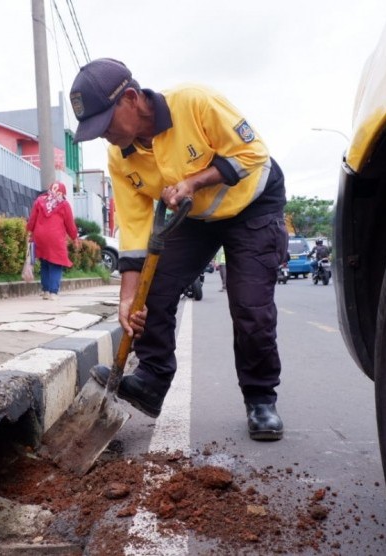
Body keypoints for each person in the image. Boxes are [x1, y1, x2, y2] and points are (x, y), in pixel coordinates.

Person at [69, 58, 288, 441]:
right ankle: (152, 381)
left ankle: (260, 398)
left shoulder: (195, 102)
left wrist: (195, 181)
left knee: (250, 306)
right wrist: (127, 299)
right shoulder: (119, 156)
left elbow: (254, 153)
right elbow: (135, 229)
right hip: (196, 218)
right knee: (150, 293)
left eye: (106, 125)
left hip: (253, 203)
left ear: (132, 99)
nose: (104, 136)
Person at [26, 181, 78, 300]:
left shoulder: (40, 201)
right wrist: (74, 237)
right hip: (55, 238)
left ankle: (45, 291)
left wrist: (30, 231)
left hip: (40, 236)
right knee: (56, 263)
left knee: (45, 263)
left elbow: (32, 219)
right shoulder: (64, 204)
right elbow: (70, 224)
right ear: (63, 193)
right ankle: (53, 292)